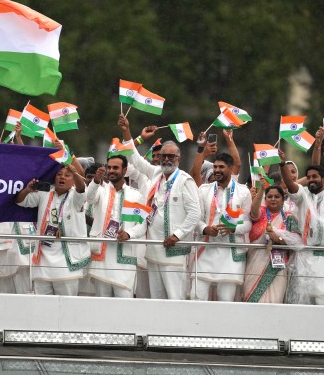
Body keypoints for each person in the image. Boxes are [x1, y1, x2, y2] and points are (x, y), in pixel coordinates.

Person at [118, 114, 201, 300]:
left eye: (171, 157)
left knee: (174, 299)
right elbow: (135, 158)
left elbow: (195, 214)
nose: (166, 160)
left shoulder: (184, 180)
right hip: (154, 250)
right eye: (163, 156)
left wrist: (177, 235)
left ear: (178, 159)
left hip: (174, 252)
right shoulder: (156, 173)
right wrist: (126, 132)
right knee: (155, 300)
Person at [279, 146, 324, 305]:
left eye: (314, 176)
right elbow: (290, 185)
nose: (310, 180)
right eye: (308, 177)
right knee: (305, 303)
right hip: (307, 257)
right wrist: (282, 165)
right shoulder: (303, 194)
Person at [15, 165, 91, 295]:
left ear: (73, 180)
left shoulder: (76, 197)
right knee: (43, 306)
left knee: (66, 306)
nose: (62, 177)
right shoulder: (45, 193)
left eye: (67, 175)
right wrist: (27, 190)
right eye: (59, 174)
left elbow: (81, 189)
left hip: (67, 262)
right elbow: (20, 201)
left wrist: (75, 171)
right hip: (43, 259)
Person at [191, 153, 252, 301]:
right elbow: (196, 218)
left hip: (230, 253)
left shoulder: (243, 191)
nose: (217, 170)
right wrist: (205, 228)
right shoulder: (204, 190)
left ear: (231, 169)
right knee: (196, 296)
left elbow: (248, 222)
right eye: (215, 167)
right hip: (206, 249)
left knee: (226, 299)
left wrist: (234, 229)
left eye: (221, 167)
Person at [86, 156, 146, 297]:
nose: (111, 170)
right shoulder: (101, 190)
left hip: (124, 260)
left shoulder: (135, 195)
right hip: (102, 259)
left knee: (124, 307)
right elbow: (89, 198)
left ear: (124, 170)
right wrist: (95, 181)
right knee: (102, 307)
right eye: (109, 167)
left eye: (115, 168)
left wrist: (129, 234)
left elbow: (143, 224)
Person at [244, 180, 301, 303]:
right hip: (255, 263)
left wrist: (279, 239)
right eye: (269, 196)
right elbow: (254, 211)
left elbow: (296, 241)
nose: (273, 199)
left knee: (275, 300)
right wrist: (261, 190)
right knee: (251, 299)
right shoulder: (261, 213)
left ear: (282, 199)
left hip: (278, 267)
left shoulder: (289, 217)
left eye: (277, 197)